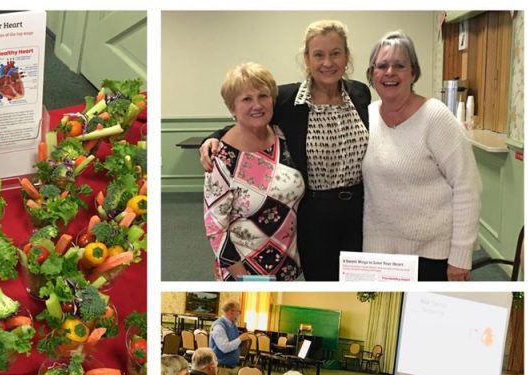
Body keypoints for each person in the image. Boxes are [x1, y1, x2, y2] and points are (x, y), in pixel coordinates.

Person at [201, 21, 370, 280]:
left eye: (336, 53)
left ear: (346, 57)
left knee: (357, 278)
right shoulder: (287, 99)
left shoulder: (360, 94)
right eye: (319, 55)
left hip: (359, 210)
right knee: (322, 280)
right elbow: (249, 118)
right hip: (314, 212)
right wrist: (213, 139)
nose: (328, 62)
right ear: (306, 59)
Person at [362, 30, 481, 281]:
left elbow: (467, 187)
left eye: (399, 65)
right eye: (382, 66)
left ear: (413, 72)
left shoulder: (435, 117)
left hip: (432, 256)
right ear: (372, 74)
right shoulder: (367, 116)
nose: (390, 72)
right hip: (379, 253)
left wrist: (460, 257)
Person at [202, 62, 305, 281]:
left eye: (263, 96)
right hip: (244, 271)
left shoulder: (284, 137)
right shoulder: (222, 156)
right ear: (232, 107)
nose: (257, 105)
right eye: (247, 99)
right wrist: (244, 279)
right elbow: (215, 228)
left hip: (287, 265)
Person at [208, 300, 253, 375]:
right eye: (239, 311)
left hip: (232, 368)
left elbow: (234, 345)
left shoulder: (233, 325)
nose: (240, 314)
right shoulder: (219, 326)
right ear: (231, 312)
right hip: (222, 369)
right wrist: (240, 339)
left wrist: (243, 343)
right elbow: (224, 348)